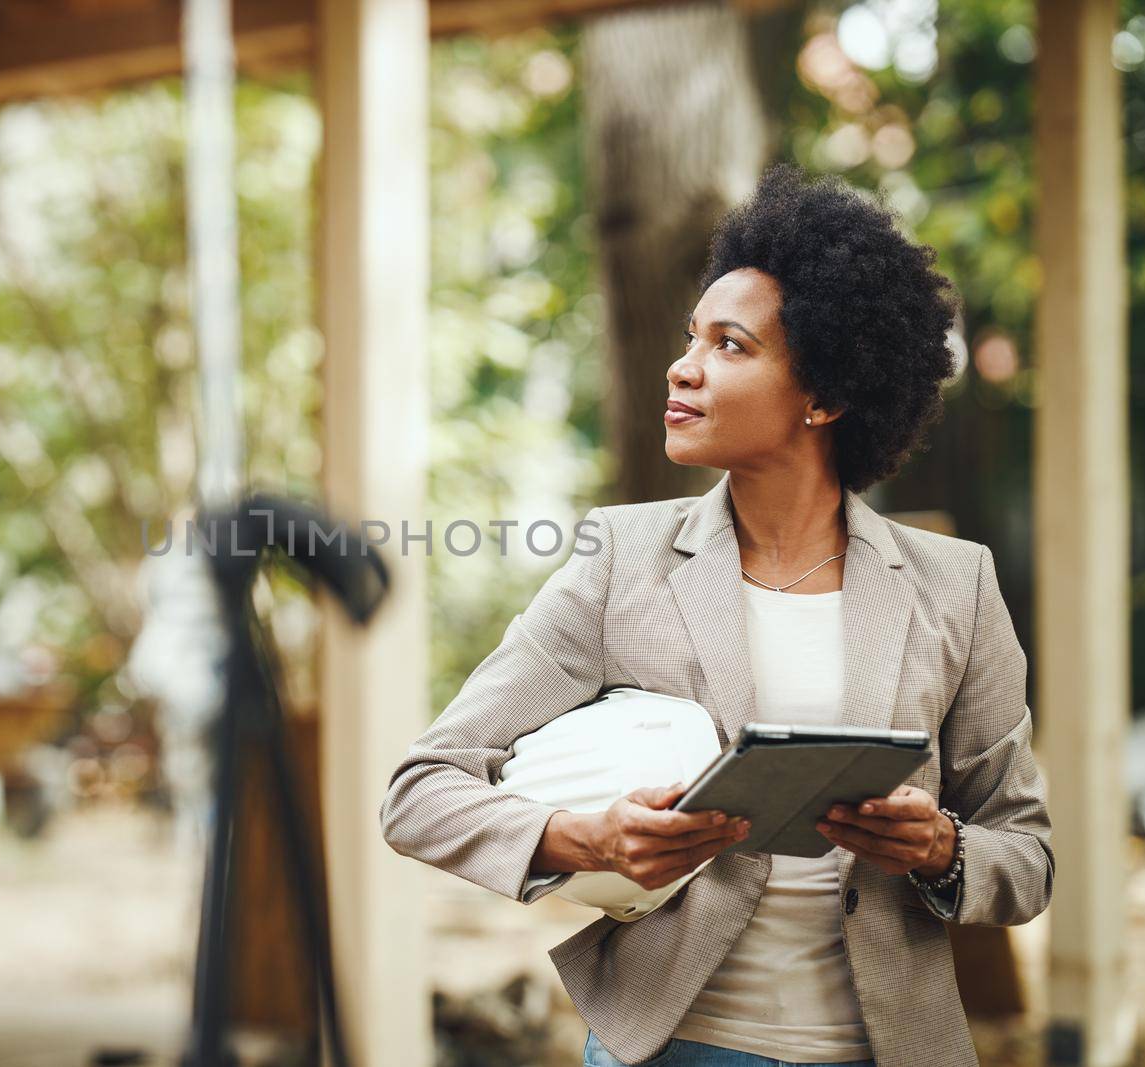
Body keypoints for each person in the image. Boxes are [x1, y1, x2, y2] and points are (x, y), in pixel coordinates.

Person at [378, 163, 1053, 1067]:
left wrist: (941, 849)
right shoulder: (621, 560)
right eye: (692, 336)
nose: (683, 367)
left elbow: (1028, 855)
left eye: (730, 346)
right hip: (672, 1046)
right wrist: (587, 837)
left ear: (826, 396)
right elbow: (420, 791)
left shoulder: (954, 585)